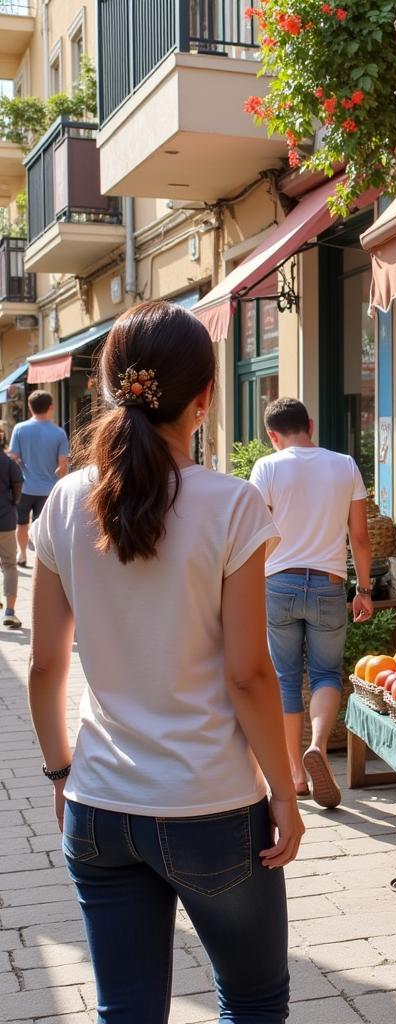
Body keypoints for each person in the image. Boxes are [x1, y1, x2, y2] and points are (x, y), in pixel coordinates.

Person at [27, 301, 303, 1024]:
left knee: (126, 1011)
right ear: (205, 397)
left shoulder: (62, 502)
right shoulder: (232, 505)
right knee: (252, 1002)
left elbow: (45, 666)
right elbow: (249, 673)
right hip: (210, 806)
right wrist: (284, 790)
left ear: (114, 386)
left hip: (99, 806)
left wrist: (61, 771)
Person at [250, 397, 373, 808]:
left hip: (278, 584)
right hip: (328, 583)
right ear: (311, 425)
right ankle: (318, 747)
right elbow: (360, 536)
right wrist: (364, 589)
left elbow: (256, 536)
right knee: (325, 674)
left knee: (285, 677)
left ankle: (296, 776)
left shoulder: (266, 467)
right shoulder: (344, 465)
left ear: (272, 435)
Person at [10, 389, 69, 567]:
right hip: (49, 489)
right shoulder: (59, 433)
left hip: (24, 487)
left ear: (30, 407)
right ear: (51, 407)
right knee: (43, 527)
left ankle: (21, 554)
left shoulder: (19, 429)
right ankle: (41, 561)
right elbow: (63, 465)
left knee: (21, 523)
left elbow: (13, 457)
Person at [0, 431, 24, 627]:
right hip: (5, 519)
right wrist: (12, 503)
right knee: (9, 565)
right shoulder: (8, 463)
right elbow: (18, 486)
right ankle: (9, 611)